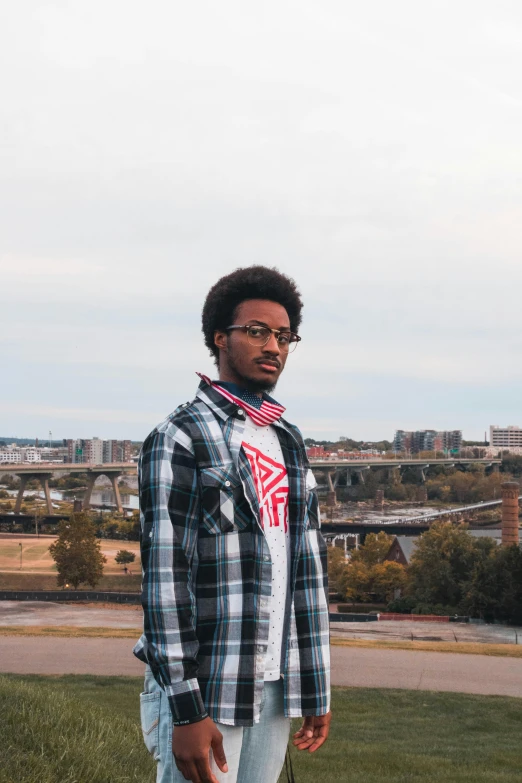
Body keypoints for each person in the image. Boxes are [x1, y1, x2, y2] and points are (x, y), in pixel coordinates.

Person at [134, 266, 331, 783]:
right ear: (220, 338)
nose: (275, 346)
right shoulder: (180, 436)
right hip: (209, 686)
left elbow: (305, 573)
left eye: (285, 336)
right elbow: (164, 579)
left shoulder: (287, 439)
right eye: (258, 331)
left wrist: (315, 686)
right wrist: (185, 706)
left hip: (274, 685)